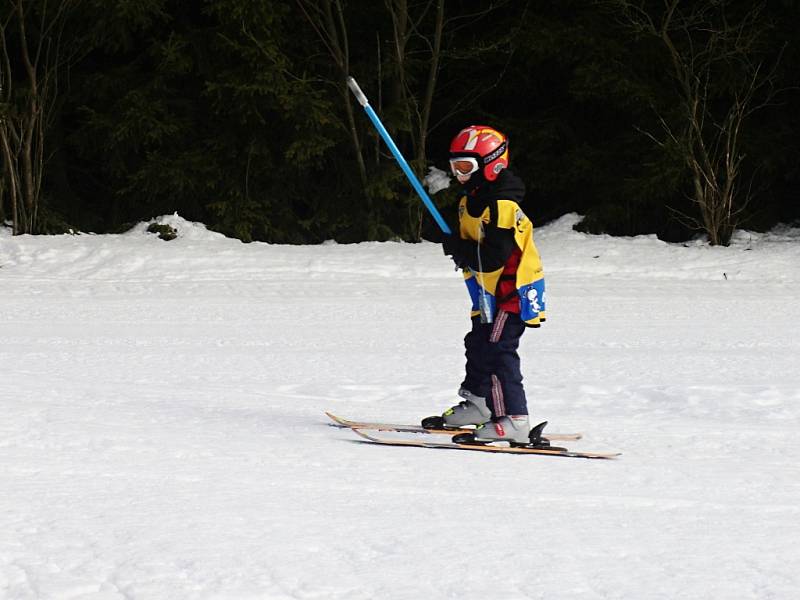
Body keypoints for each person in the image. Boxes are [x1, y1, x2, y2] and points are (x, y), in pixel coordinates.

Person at [422, 125, 546, 444]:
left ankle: (515, 418)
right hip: (487, 293)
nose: (460, 175)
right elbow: (468, 244)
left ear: (491, 164)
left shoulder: (502, 205)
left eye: (466, 167)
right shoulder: (471, 202)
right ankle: (479, 405)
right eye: (455, 168)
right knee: (478, 343)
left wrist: (455, 247)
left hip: (510, 293)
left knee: (497, 350)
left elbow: (491, 258)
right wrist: (446, 236)